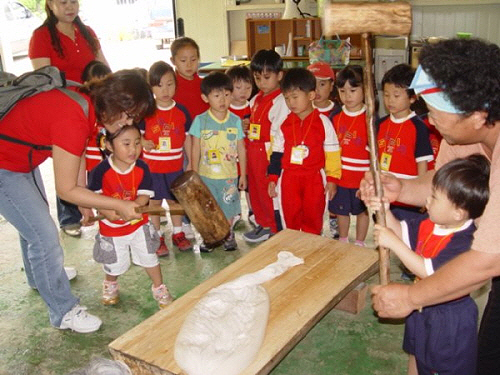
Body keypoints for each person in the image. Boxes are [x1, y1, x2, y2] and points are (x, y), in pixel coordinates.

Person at [358, 38, 500, 375]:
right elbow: (441, 183)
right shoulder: (465, 136)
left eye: (435, 114)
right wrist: (400, 188)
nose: (429, 122)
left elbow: (486, 260)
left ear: (478, 115)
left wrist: (411, 298)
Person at [0, 69, 155, 332]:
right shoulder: (72, 115)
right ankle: (64, 312)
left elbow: (77, 150)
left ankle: (42, 277)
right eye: (129, 115)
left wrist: (84, 195)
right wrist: (115, 204)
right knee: (44, 236)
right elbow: (65, 189)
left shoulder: (86, 100)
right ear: (117, 103)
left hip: (19, 159)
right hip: (5, 164)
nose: (129, 123)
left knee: (34, 224)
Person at [369, 154, 490, 375]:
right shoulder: (431, 223)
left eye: (434, 198)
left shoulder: (467, 241)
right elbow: (402, 234)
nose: (426, 201)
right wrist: (385, 211)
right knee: (417, 351)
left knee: (445, 366)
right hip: (421, 303)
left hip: (450, 317)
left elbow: (428, 272)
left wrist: (393, 243)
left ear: (458, 212)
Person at [29, 0, 109, 238]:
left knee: (91, 155)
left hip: (91, 106)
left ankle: (100, 204)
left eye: (73, 1)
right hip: (63, 109)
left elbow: (103, 66)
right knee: (67, 159)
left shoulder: (87, 32)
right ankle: (68, 217)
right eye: (63, 2)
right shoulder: (42, 36)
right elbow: (43, 81)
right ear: (50, 4)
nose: (70, 7)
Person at [88, 125, 174, 308]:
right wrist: (105, 211)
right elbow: (94, 198)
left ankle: (159, 287)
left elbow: (144, 194)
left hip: (138, 225)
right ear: (109, 146)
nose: (133, 149)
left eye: (137, 143)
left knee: (150, 257)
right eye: (126, 144)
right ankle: (110, 283)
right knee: (114, 262)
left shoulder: (142, 167)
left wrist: (136, 206)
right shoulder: (100, 171)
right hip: (112, 230)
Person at [267, 68, 340, 234]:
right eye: (287, 98)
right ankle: (291, 249)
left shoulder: (323, 122)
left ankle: (311, 249)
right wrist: (273, 177)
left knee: (314, 218)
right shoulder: (284, 124)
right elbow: (276, 153)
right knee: (290, 218)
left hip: (314, 178)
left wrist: (332, 178)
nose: (291, 103)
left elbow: (333, 153)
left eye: (295, 97)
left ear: (311, 95)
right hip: (289, 178)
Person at [189, 72, 247, 252]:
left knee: (229, 208)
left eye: (227, 94)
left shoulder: (235, 121)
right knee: (209, 209)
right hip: (206, 176)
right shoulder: (201, 120)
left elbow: (241, 149)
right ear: (205, 98)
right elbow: (195, 148)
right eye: (216, 95)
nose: (223, 99)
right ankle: (212, 237)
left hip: (229, 176)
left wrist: (242, 174)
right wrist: (193, 171)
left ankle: (228, 234)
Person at [140, 61, 193, 256]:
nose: (165, 89)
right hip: (152, 168)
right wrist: (143, 142)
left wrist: (191, 163)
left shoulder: (182, 111)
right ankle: (157, 236)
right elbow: (137, 135)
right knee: (154, 203)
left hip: (175, 167)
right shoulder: (146, 110)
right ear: (151, 87)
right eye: (159, 85)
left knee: (175, 202)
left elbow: (188, 139)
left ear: (176, 85)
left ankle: (178, 233)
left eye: (170, 84)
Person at [377, 63, 433, 222]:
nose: (389, 101)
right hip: (385, 193)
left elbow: (422, 164)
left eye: (396, 95)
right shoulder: (379, 124)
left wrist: (421, 193)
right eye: (386, 95)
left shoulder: (418, 128)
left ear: (412, 97)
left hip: (408, 197)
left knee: (406, 233)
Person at [243, 49, 289, 243]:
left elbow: (279, 133)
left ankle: (273, 225)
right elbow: (253, 121)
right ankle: (262, 222)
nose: (261, 82)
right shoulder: (256, 99)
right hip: (253, 150)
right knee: (255, 189)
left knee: (267, 190)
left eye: (267, 77)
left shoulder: (281, 101)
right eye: (257, 78)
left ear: (279, 76)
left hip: (267, 152)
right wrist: (246, 124)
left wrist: (256, 130)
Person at [329, 65, 370, 246]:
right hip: (341, 176)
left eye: (353, 90)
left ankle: (360, 242)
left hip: (362, 178)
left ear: (365, 90)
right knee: (341, 211)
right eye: (343, 90)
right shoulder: (335, 116)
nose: (348, 96)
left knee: (363, 211)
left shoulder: (371, 118)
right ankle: (343, 239)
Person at [170, 36, 205, 239]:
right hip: (180, 143)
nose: (189, 65)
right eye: (183, 60)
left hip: (201, 141)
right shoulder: (171, 85)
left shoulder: (203, 85)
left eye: (193, 59)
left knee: (200, 180)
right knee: (183, 182)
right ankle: (184, 222)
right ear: (173, 61)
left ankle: (198, 217)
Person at [226, 65, 256, 228]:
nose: (243, 91)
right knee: (233, 185)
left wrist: (251, 125)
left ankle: (253, 212)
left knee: (251, 186)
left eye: (248, 87)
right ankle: (235, 212)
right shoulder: (225, 108)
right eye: (238, 87)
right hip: (231, 157)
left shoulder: (253, 106)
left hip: (249, 155)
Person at [82, 61, 112, 174]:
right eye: (96, 85)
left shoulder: (113, 110)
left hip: (111, 165)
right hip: (92, 166)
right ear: (86, 85)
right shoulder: (85, 110)